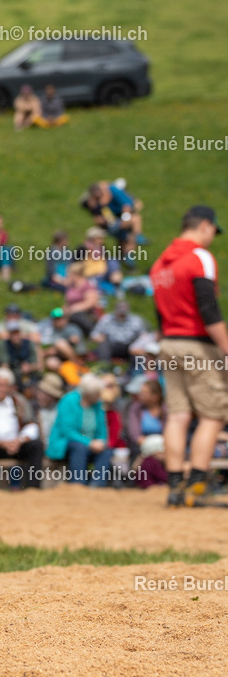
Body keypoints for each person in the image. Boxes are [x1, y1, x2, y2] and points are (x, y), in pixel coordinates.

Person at [151, 206, 228, 507]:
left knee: (178, 414)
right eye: (213, 232)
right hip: (197, 345)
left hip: (169, 343)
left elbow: (160, 314)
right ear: (205, 226)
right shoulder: (200, 258)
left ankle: (174, 486)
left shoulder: (159, 264)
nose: (212, 238)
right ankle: (196, 485)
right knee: (212, 415)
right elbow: (209, 309)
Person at [0, 367, 44, 489]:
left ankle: (33, 487)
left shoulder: (20, 401)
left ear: (10, 387)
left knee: (36, 445)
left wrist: (19, 441)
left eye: (4, 385)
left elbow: (31, 425)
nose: (1, 389)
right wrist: (1, 443)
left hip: (17, 445)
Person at [46, 373, 112, 486]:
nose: (99, 396)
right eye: (97, 394)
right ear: (88, 393)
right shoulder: (69, 400)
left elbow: (102, 429)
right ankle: (78, 484)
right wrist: (89, 443)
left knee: (106, 451)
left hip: (91, 446)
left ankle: (97, 485)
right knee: (79, 447)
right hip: (65, 443)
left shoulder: (98, 404)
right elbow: (67, 431)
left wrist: (101, 442)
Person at [82, 180, 144, 254]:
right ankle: (138, 237)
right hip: (112, 225)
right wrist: (124, 219)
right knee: (136, 219)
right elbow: (101, 219)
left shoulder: (102, 199)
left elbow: (135, 205)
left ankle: (126, 255)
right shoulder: (98, 204)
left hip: (114, 223)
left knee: (126, 239)